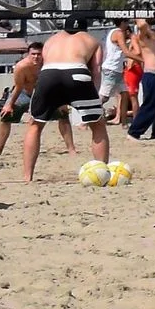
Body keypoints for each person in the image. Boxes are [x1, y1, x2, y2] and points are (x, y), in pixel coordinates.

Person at [23, 13, 109, 183]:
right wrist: (95, 98)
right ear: (84, 28)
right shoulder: (91, 40)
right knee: (97, 124)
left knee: (35, 125)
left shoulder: (51, 40)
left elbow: (44, 65)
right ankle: (101, 174)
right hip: (77, 73)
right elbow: (97, 70)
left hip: (49, 75)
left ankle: (27, 177)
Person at [0, 41, 56, 158]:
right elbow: (18, 87)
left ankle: (71, 149)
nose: (36, 57)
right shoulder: (22, 66)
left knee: (63, 115)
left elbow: (56, 84)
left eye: (39, 54)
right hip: (24, 93)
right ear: (28, 54)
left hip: (45, 95)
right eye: (33, 54)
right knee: (5, 116)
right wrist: (9, 104)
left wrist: (61, 102)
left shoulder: (50, 64)